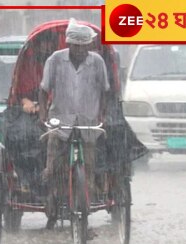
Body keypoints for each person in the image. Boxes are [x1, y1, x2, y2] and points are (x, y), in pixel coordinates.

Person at [38, 19, 109, 229]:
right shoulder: (55, 60)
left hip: (88, 122)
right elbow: (43, 90)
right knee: (53, 168)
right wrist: (43, 115)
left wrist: (102, 116)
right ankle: (51, 205)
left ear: (89, 45)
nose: (79, 49)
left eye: (83, 45)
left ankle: (83, 215)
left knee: (87, 168)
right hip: (60, 122)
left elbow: (104, 91)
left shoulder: (97, 62)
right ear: (68, 43)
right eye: (75, 45)